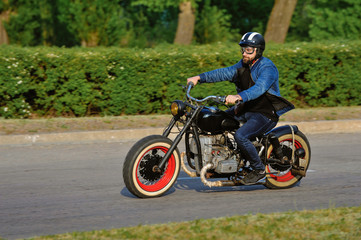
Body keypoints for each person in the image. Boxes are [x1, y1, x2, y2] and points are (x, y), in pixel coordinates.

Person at [187, 32, 294, 185]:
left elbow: (260, 88)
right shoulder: (243, 66)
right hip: (246, 109)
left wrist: (239, 97)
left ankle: (259, 170)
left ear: (258, 50)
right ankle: (222, 161)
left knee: (241, 136)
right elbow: (223, 73)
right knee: (217, 120)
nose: (244, 53)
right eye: (243, 49)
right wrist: (199, 78)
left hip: (264, 114)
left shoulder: (267, 67)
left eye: (249, 50)